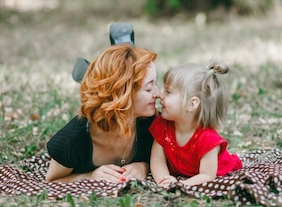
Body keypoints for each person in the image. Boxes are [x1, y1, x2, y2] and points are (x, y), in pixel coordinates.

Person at [46, 44, 160, 183]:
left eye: (156, 84)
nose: (158, 94)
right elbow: (52, 180)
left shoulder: (153, 124)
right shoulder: (72, 140)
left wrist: (144, 166)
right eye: (149, 88)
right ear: (122, 95)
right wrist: (90, 176)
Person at [150, 62, 242, 188]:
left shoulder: (207, 139)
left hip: (213, 171)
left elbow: (207, 175)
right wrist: (164, 180)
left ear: (192, 104)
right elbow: (157, 161)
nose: (160, 95)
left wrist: (181, 184)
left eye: (168, 91)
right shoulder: (162, 126)